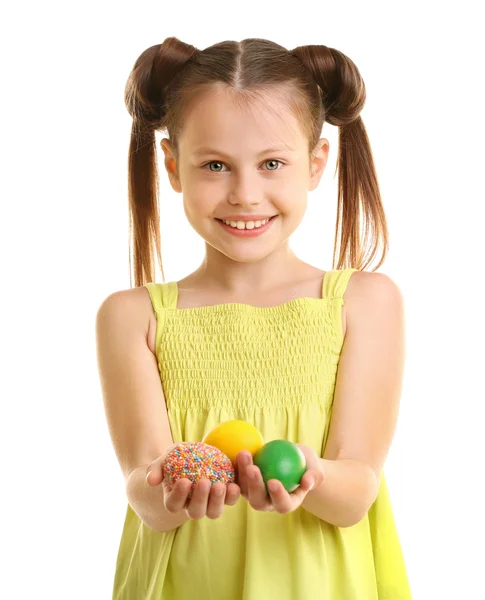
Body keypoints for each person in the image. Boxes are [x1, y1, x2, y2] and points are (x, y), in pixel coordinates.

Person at [95, 36, 412, 599]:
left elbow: (355, 491)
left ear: (316, 163)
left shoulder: (364, 303)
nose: (245, 194)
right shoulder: (132, 317)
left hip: (317, 584)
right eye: (215, 165)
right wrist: (170, 485)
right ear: (172, 165)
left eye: (272, 164)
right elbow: (143, 493)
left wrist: (307, 474)